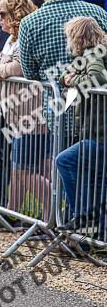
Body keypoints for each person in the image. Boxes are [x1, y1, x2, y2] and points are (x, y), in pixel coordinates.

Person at [0, 0, 49, 222]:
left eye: (2, 14)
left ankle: (52, 221)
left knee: (27, 171)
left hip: (31, 115)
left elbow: (17, 68)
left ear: (15, 14)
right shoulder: (10, 39)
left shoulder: (25, 36)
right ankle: (12, 214)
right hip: (16, 114)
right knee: (20, 169)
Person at [55, 17, 107, 229]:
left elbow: (98, 78)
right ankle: (93, 228)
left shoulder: (93, 54)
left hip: (100, 134)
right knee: (95, 179)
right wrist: (65, 79)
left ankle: (82, 215)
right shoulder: (94, 53)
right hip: (96, 131)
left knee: (64, 160)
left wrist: (72, 81)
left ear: (77, 37)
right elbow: (64, 75)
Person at [19, 0, 107, 84]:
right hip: (94, 99)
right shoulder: (98, 12)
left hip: (52, 97)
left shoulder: (28, 23)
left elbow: (30, 74)